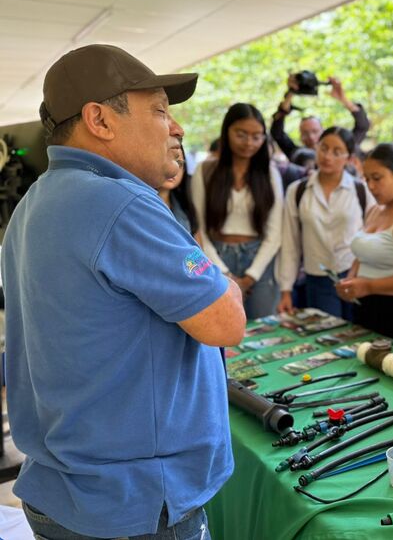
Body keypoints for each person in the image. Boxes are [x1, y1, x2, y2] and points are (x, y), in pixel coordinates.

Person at [2, 44, 245, 538]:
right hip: (134, 504)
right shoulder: (120, 203)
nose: (175, 128)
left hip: (64, 491)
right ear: (100, 120)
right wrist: (228, 284)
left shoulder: (32, 206)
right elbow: (225, 322)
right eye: (159, 111)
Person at [192, 103, 283, 320]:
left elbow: (275, 232)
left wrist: (250, 277)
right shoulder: (205, 171)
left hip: (259, 261)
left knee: (263, 331)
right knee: (223, 333)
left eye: (257, 136)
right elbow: (200, 231)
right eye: (241, 134)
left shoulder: (270, 173)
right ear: (227, 132)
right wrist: (224, 273)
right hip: (217, 258)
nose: (249, 143)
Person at [277, 126, 375, 320]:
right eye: (324, 148)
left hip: (355, 276)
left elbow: (372, 234)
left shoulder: (361, 190)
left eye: (337, 152)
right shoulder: (298, 191)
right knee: (326, 340)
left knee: (358, 337)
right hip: (317, 279)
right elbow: (290, 244)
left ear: (348, 158)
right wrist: (286, 290)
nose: (328, 156)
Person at [335, 143, 393, 346]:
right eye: (366, 179)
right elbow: (362, 254)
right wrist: (350, 280)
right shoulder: (375, 210)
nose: (371, 186)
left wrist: (369, 286)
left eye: (377, 178)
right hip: (365, 306)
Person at [270, 75, 370, 161]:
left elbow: (362, 126)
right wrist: (291, 92)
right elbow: (277, 133)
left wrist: (343, 99)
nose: (311, 137)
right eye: (305, 133)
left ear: (323, 131)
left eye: (315, 131)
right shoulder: (298, 155)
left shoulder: (343, 147)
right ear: (300, 136)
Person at [158, 139, 202, 245]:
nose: (173, 169)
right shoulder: (138, 205)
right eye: (166, 161)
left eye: (179, 163)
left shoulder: (186, 207)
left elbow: (199, 254)